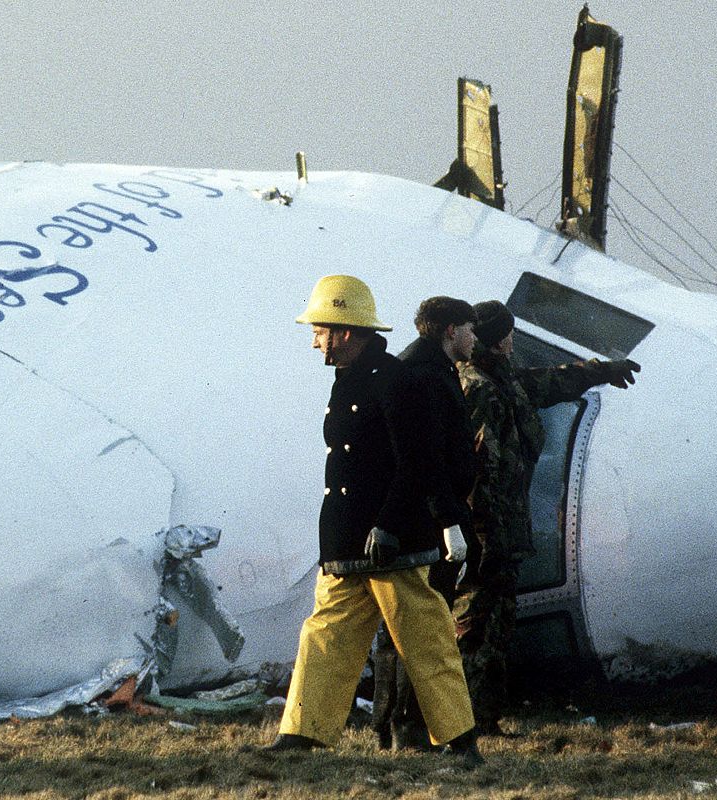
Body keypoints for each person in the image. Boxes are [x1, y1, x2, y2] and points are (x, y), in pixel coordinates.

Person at [262, 275, 482, 766]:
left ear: (344, 330)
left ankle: (459, 741)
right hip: (348, 543)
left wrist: (390, 525)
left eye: (319, 329)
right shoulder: (353, 380)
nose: (314, 339)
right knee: (324, 635)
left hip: (391, 543)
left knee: (425, 641)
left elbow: (417, 461)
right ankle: (303, 734)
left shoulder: (397, 380)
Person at [453, 300, 641, 735]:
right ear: (501, 339)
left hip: (501, 527)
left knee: (494, 621)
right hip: (487, 528)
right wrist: (487, 532)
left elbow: (546, 383)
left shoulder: (501, 381)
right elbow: (483, 470)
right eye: (509, 333)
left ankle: (480, 716)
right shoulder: (479, 388)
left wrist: (601, 371)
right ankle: (464, 717)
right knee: (475, 620)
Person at [372, 296, 478, 750]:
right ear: (449, 330)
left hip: (432, 514)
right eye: (470, 329)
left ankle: (405, 727)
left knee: (411, 630)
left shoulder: (429, 368)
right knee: (419, 631)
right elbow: (424, 457)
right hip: (428, 520)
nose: (475, 338)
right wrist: (448, 521)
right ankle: (406, 728)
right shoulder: (422, 374)